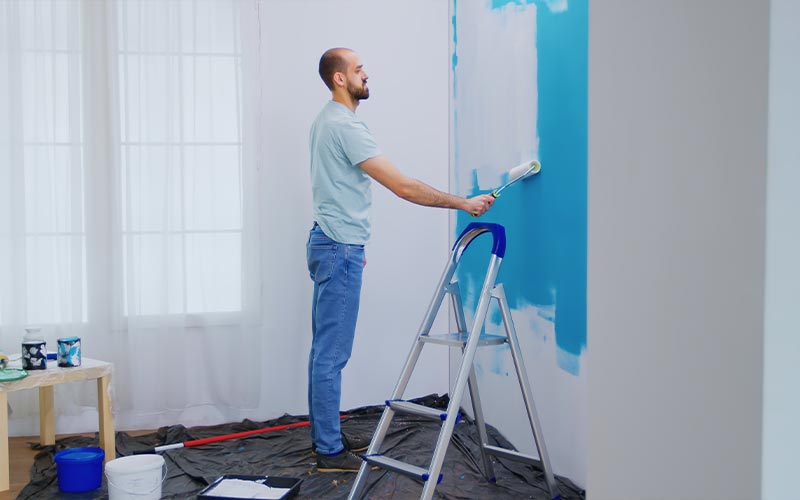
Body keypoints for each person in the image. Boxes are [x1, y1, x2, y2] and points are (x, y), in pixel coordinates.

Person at [307, 47, 495, 472]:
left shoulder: (326, 120)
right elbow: (405, 187)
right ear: (340, 79)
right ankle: (329, 452)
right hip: (337, 247)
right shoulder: (345, 126)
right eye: (358, 70)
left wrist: (352, 247)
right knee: (331, 354)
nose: (365, 74)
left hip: (332, 242)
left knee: (325, 351)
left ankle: (327, 436)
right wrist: (463, 204)